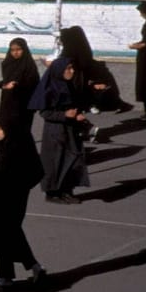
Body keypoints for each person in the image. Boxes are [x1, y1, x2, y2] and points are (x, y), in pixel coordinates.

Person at [0, 120, 48, 289]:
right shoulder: (11, 147)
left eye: (0, 128)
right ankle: (8, 274)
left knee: (7, 236)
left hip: (6, 202)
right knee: (5, 236)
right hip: (5, 200)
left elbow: (34, 173)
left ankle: (31, 267)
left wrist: (18, 188)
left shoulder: (14, 150)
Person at [33, 55, 93, 204]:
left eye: (72, 68)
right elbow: (45, 112)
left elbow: (77, 104)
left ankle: (67, 190)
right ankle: (53, 192)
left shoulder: (70, 85)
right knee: (55, 161)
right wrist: (64, 114)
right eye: (68, 69)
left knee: (73, 159)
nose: (72, 71)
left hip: (71, 129)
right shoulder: (50, 88)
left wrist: (77, 115)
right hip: (55, 131)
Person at [0, 38, 41, 135]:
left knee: (21, 132)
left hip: (23, 103)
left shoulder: (29, 66)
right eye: (12, 50)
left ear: (24, 50)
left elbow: (33, 84)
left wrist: (18, 85)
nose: (15, 53)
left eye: (18, 49)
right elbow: (6, 81)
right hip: (8, 101)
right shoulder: (7, 63)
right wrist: (2, 85)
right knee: (6, 128)